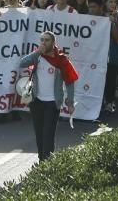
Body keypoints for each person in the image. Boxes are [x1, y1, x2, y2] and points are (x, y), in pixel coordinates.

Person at [18, 31, 78, 162]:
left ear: (53, 43)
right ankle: (42, 160)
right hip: (37, 101)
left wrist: (70, 102)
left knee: (48, 135)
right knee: (39, 134)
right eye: (42, 40)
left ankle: (47, 163)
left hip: (52, 103)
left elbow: (70, 81)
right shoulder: (37, 56)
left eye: (47, 40)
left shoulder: (61, 59)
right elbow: (22, 63)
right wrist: (37, 52)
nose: (43, 43)